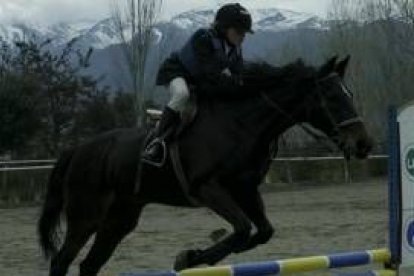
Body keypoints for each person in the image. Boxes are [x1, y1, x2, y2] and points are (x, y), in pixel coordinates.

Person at [142, 2, 254, 167]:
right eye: (238, 31)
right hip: (177, 72)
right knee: (182, 94)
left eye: (244, 32)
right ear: (224, 28)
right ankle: (157, 142)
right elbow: (210, 76)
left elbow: (238, 74)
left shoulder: (235, 49)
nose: (242, 36)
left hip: (201, 80)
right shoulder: (203, 39)